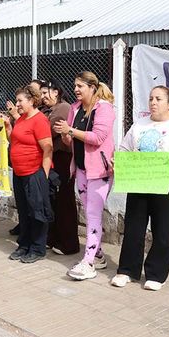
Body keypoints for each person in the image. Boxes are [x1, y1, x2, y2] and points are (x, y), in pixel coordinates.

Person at [111, 86, 169, 291]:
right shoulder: (140, 125)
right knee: (134, 228)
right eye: (151, 98)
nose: (153, 102)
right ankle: (126, 271)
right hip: (140, 183)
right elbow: (126, 149)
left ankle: (156, 274)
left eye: (158, 99)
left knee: (162, 231)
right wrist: (118, 162)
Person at [53, 73, 116, 279]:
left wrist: (70, 130)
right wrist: (66, 134)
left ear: (92, 87)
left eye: (80, 86)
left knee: (93, 214)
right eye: (75, 85)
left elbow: (97, 138)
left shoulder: (104, 109)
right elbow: (71, 141)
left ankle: (88, 262)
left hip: (99, 171)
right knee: (89, 214)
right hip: (81, 169)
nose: (76, 90)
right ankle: (98, 255)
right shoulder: (75, 108)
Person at [3, 85, 53, 264]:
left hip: (34, 173)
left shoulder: (39, 120)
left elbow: (48, 148)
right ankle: (24, 244)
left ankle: (38, 248)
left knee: (36, 212)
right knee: (24, 211)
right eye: (16, 101)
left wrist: (43, 175)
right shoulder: (22, 118)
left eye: (20, 101)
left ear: (31, 101)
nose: (17, 104)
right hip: (19, 172)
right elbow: (15, 140)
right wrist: (9, 127)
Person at [41, 80, 78, 256]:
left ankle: (68, 243)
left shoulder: (63, 108)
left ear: (56, 92)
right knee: (53, 200)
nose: (43, 96)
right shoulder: (47, 110)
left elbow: (47, 130)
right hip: (52, 157)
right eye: (41, 94)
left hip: (63, 158)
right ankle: (53, 237)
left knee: (64, 200)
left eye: (46, 92)